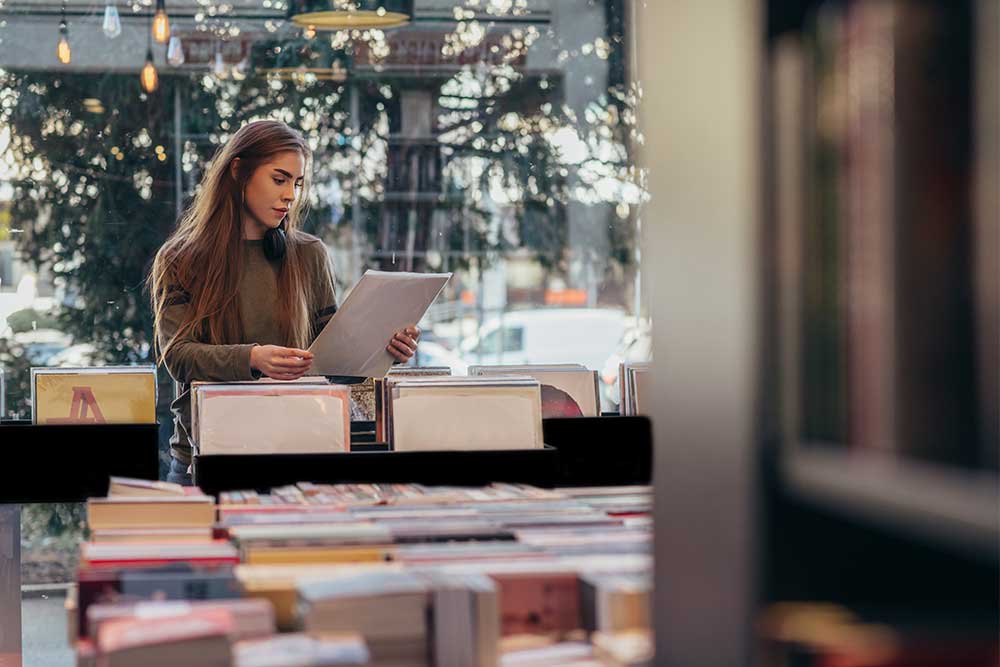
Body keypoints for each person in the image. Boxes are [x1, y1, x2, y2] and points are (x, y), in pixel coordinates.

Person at [149, 120, 420, 485]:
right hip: (203, 458)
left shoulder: (309, 255)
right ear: (238, 171)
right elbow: (178, 356)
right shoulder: (181, 259)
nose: (291, 195)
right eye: (279, 180)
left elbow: (336, 357)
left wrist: (386, 349)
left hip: (300, 450)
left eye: (297, 183)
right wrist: (253, 359)